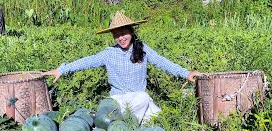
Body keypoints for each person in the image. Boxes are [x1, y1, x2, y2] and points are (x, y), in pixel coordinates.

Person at [42, 11, 201, 124]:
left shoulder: (142, 49)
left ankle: (122, 122)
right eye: (116, 35)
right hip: (118, 100)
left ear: (131, 32)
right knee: (145, 100)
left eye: (123, 32)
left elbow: (162, 62)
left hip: (137, 98)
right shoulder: (109, 53)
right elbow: (87, 61)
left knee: (158, 117)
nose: (121, 38)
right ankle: (122, 123)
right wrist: (62, 69)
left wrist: (186, 73)